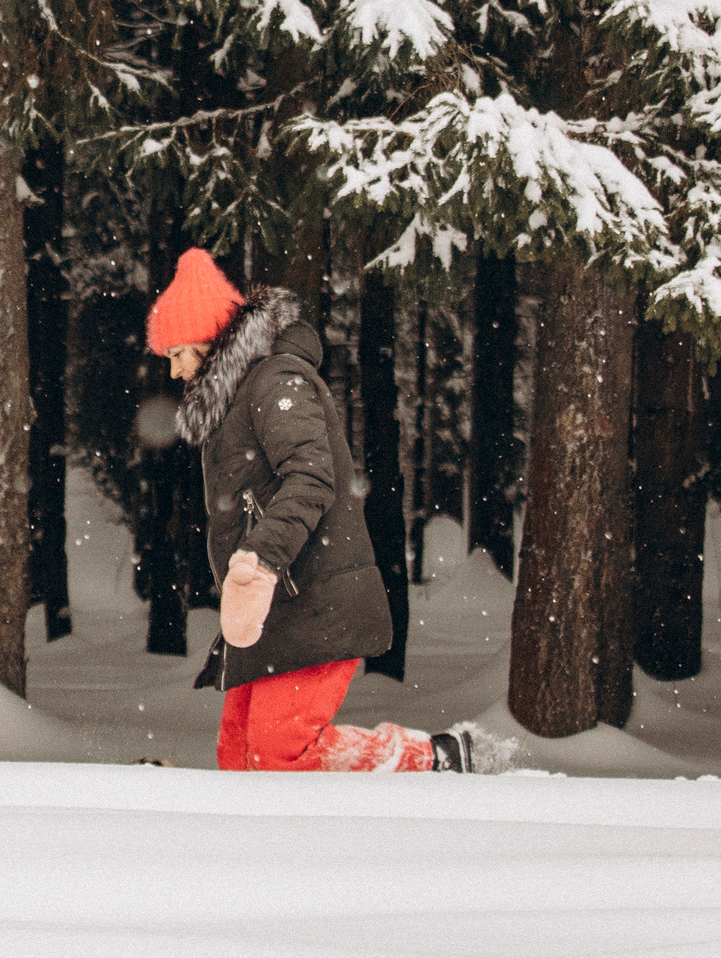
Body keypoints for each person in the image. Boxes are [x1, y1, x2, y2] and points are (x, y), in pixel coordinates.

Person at [147, 246, 496, 773]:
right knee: (239, 759)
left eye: (179, 353)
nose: (174, 373)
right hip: (277, 610)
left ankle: (436, 759)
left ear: (212, 338)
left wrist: (259, 561)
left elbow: (312, 478)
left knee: (278, 753)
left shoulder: (275, 381)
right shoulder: (236, 401)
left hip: (315, 598)